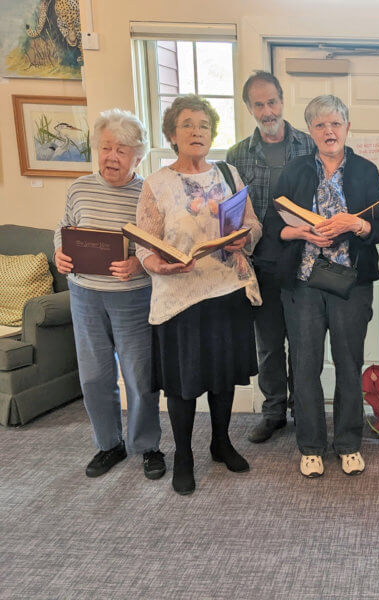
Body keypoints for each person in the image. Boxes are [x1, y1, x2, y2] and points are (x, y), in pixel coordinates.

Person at [136, 95, 263, 495]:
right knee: (183, 383)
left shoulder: (228, 173)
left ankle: (221, 442)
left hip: (226, 289)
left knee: (223, 378)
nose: (196, 132)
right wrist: (157, 265)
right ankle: (184, 456)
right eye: (187, 125)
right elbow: (143, 243)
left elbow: (252, 223)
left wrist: (245, 238)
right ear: (172, 134)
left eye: (204, 125)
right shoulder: (157, 184)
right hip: (179, 297)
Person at [268, 94, 379, 478]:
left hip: (351, 283)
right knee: (304, 365)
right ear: (310, 131)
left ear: (347, 128)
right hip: (303, 284)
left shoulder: (367, 171)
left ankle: (349, 443)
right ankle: (311, 445)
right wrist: (301, 231)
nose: (329, 131)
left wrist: (357, 225)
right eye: (320, 125)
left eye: (335, 124)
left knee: (349, 364)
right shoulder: (294, 171)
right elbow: (274, 229)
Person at [54, 109, 165, 480]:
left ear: (138, 156)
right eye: (105, 148)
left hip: (132, 297)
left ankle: (147, 445)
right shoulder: (79, 188)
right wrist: (60, 253)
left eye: (121, 150)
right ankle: (108, 444)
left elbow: (156, 246)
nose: (111, 157)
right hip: (84, 295)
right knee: (94, 376)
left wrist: (137, 264)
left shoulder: (147, 193)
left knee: (139, 377)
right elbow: (63, 229)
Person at [227, 71, 315, 444]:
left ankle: (305, 410)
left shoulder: (310, 146)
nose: (267, 111)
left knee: (304, 340)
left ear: (283, 101)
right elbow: (230, 212)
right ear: (249, 108)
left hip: (305, 261)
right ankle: (274, 410)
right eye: (259, 104)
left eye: (272, 101)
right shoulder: (236, 155)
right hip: (260, 264)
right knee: (268, 343)